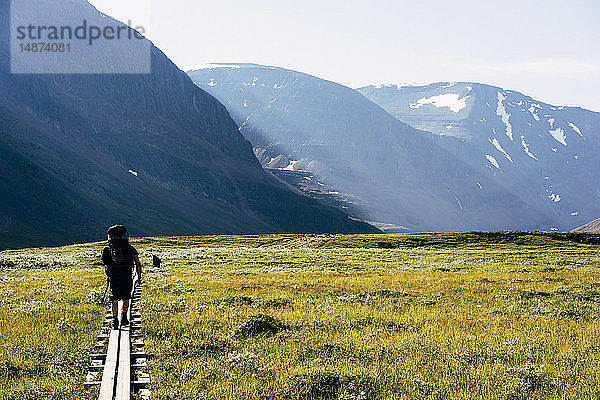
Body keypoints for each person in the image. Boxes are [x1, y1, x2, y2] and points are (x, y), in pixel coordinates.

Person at [101, 225, 142, 329]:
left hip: (114, 277)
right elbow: (138, 263)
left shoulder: (108, 249)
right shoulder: (130, 249)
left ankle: (114, 320)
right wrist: (138, 277)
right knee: (126, 297)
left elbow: (105, 263)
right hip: (127, 275)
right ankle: (124, 316)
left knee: (114, 299)